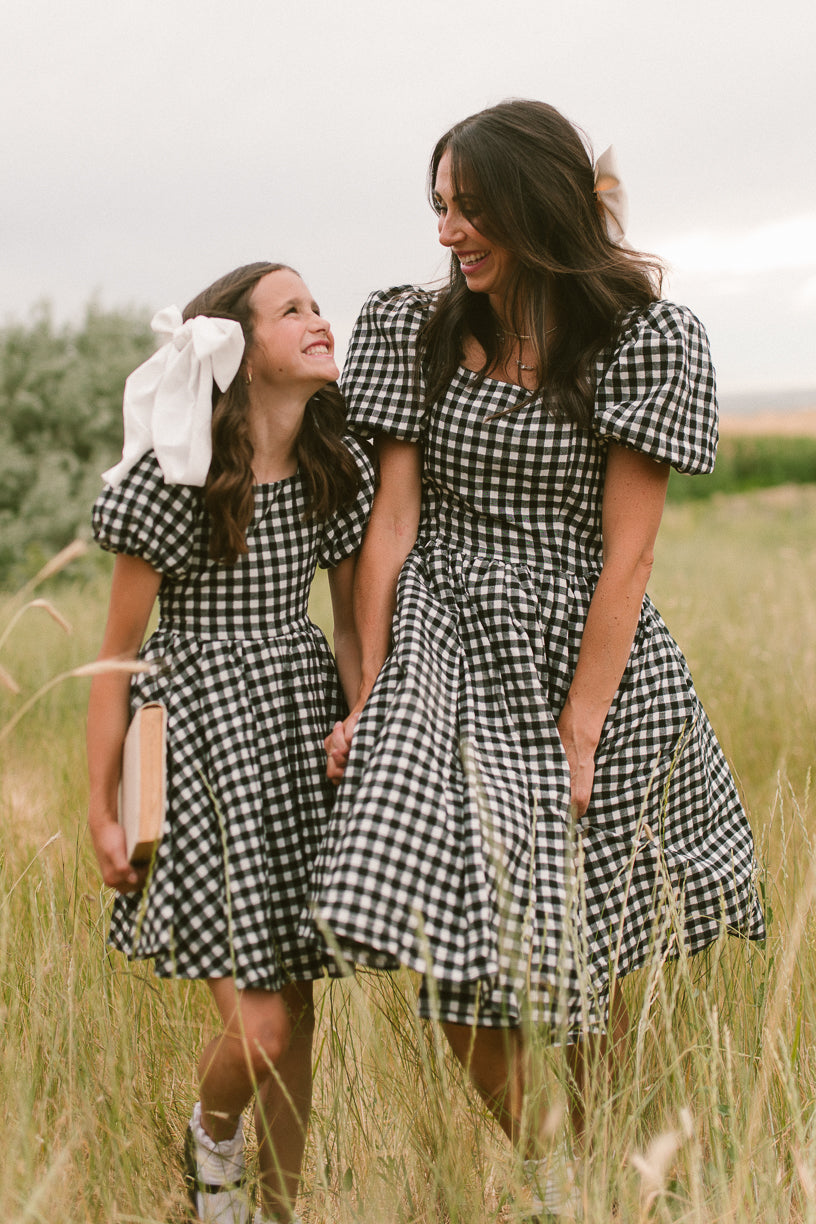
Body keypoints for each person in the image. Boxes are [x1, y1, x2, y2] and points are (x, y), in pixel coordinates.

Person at [312, 101, 765, 1215]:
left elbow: (630, 554)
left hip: (587, 662)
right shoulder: (410, 326)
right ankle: (562, 1180)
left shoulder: (643, 339)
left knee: (588, 954)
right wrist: (368, 696)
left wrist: (581, 730)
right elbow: (393, 526)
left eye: (471, 209)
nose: (447, 232)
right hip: (445, 648)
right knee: (454, 951)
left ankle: (625, 1190)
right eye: (439, 207)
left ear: (537, 205)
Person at [86, 262, 374, 1224]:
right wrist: (103, 807)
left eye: (318, 304)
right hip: (199, 747)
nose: (319, 319)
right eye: (292, 309)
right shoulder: (179, 482)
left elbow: (345, 629)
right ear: (239, 353)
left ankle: (284, 1211)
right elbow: (118, 659)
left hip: (295, 740)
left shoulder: (333, 475)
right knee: (258, 1029)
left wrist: (357, 717)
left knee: (297, 1015)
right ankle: (213, 1140)